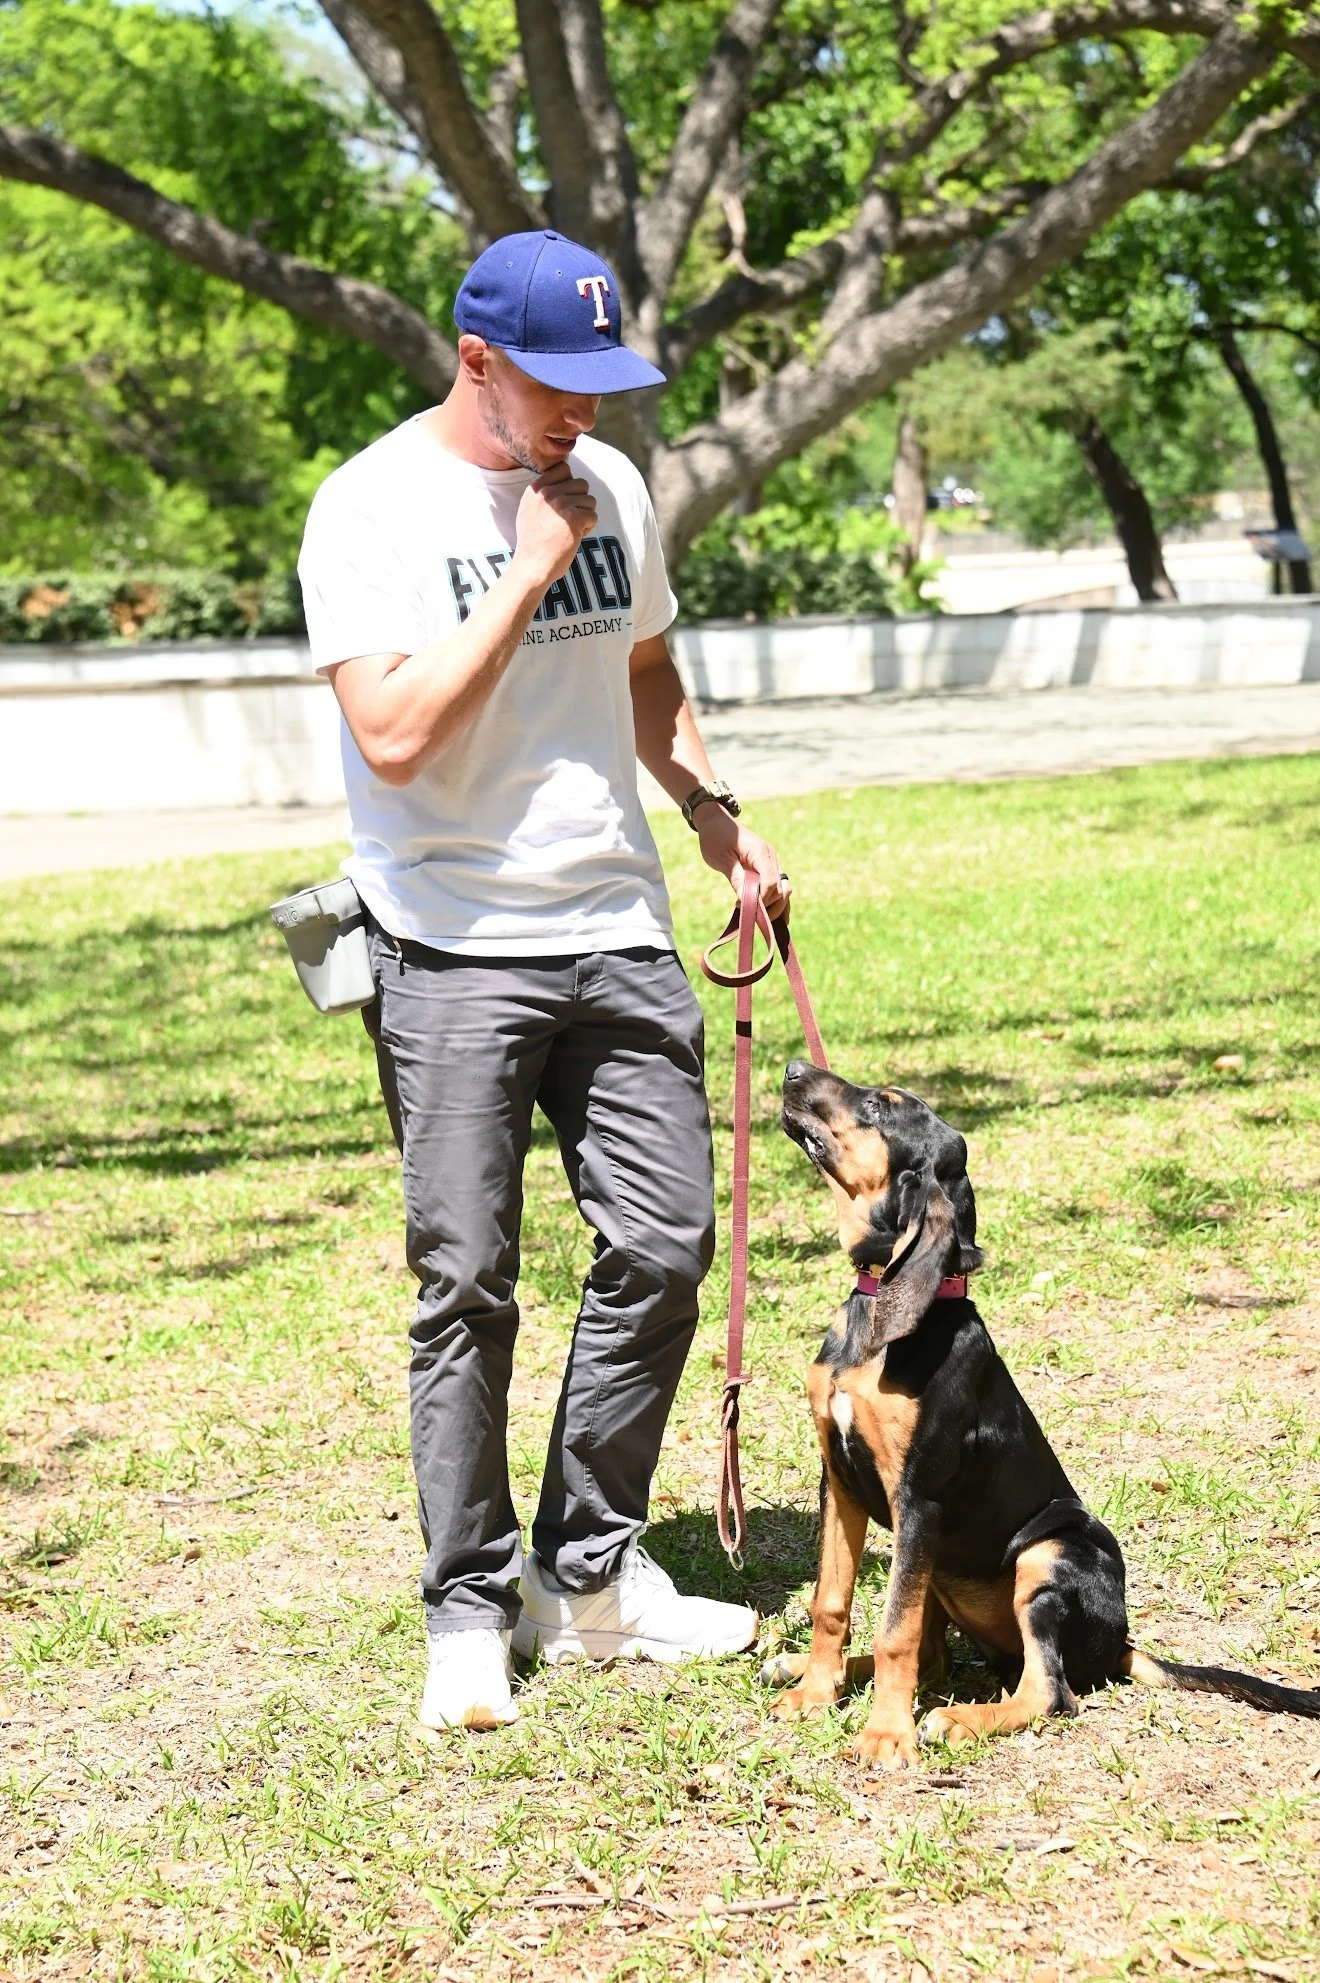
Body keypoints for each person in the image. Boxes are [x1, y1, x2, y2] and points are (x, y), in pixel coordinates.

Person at [298, 228, 789, 1731]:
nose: (581, 417)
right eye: (552, 387)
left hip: (618, 922)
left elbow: (646, 669)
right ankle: (468, 1603)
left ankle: (589, 1579)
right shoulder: (371, 508)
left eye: (600, 385)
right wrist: (521, 575)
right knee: (467, 1283)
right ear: (476, 363)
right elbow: (393, 735)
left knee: (665, 1243)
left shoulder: (616, 487)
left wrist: (713, 814)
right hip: (448, 938)